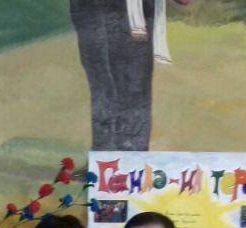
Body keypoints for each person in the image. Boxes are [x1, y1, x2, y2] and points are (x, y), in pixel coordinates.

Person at [70, 0, 190, 151]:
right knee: (104, 86)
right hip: (95, 11)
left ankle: (126, 153)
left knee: (129, 86)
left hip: (130, 12)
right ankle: (107, 153)